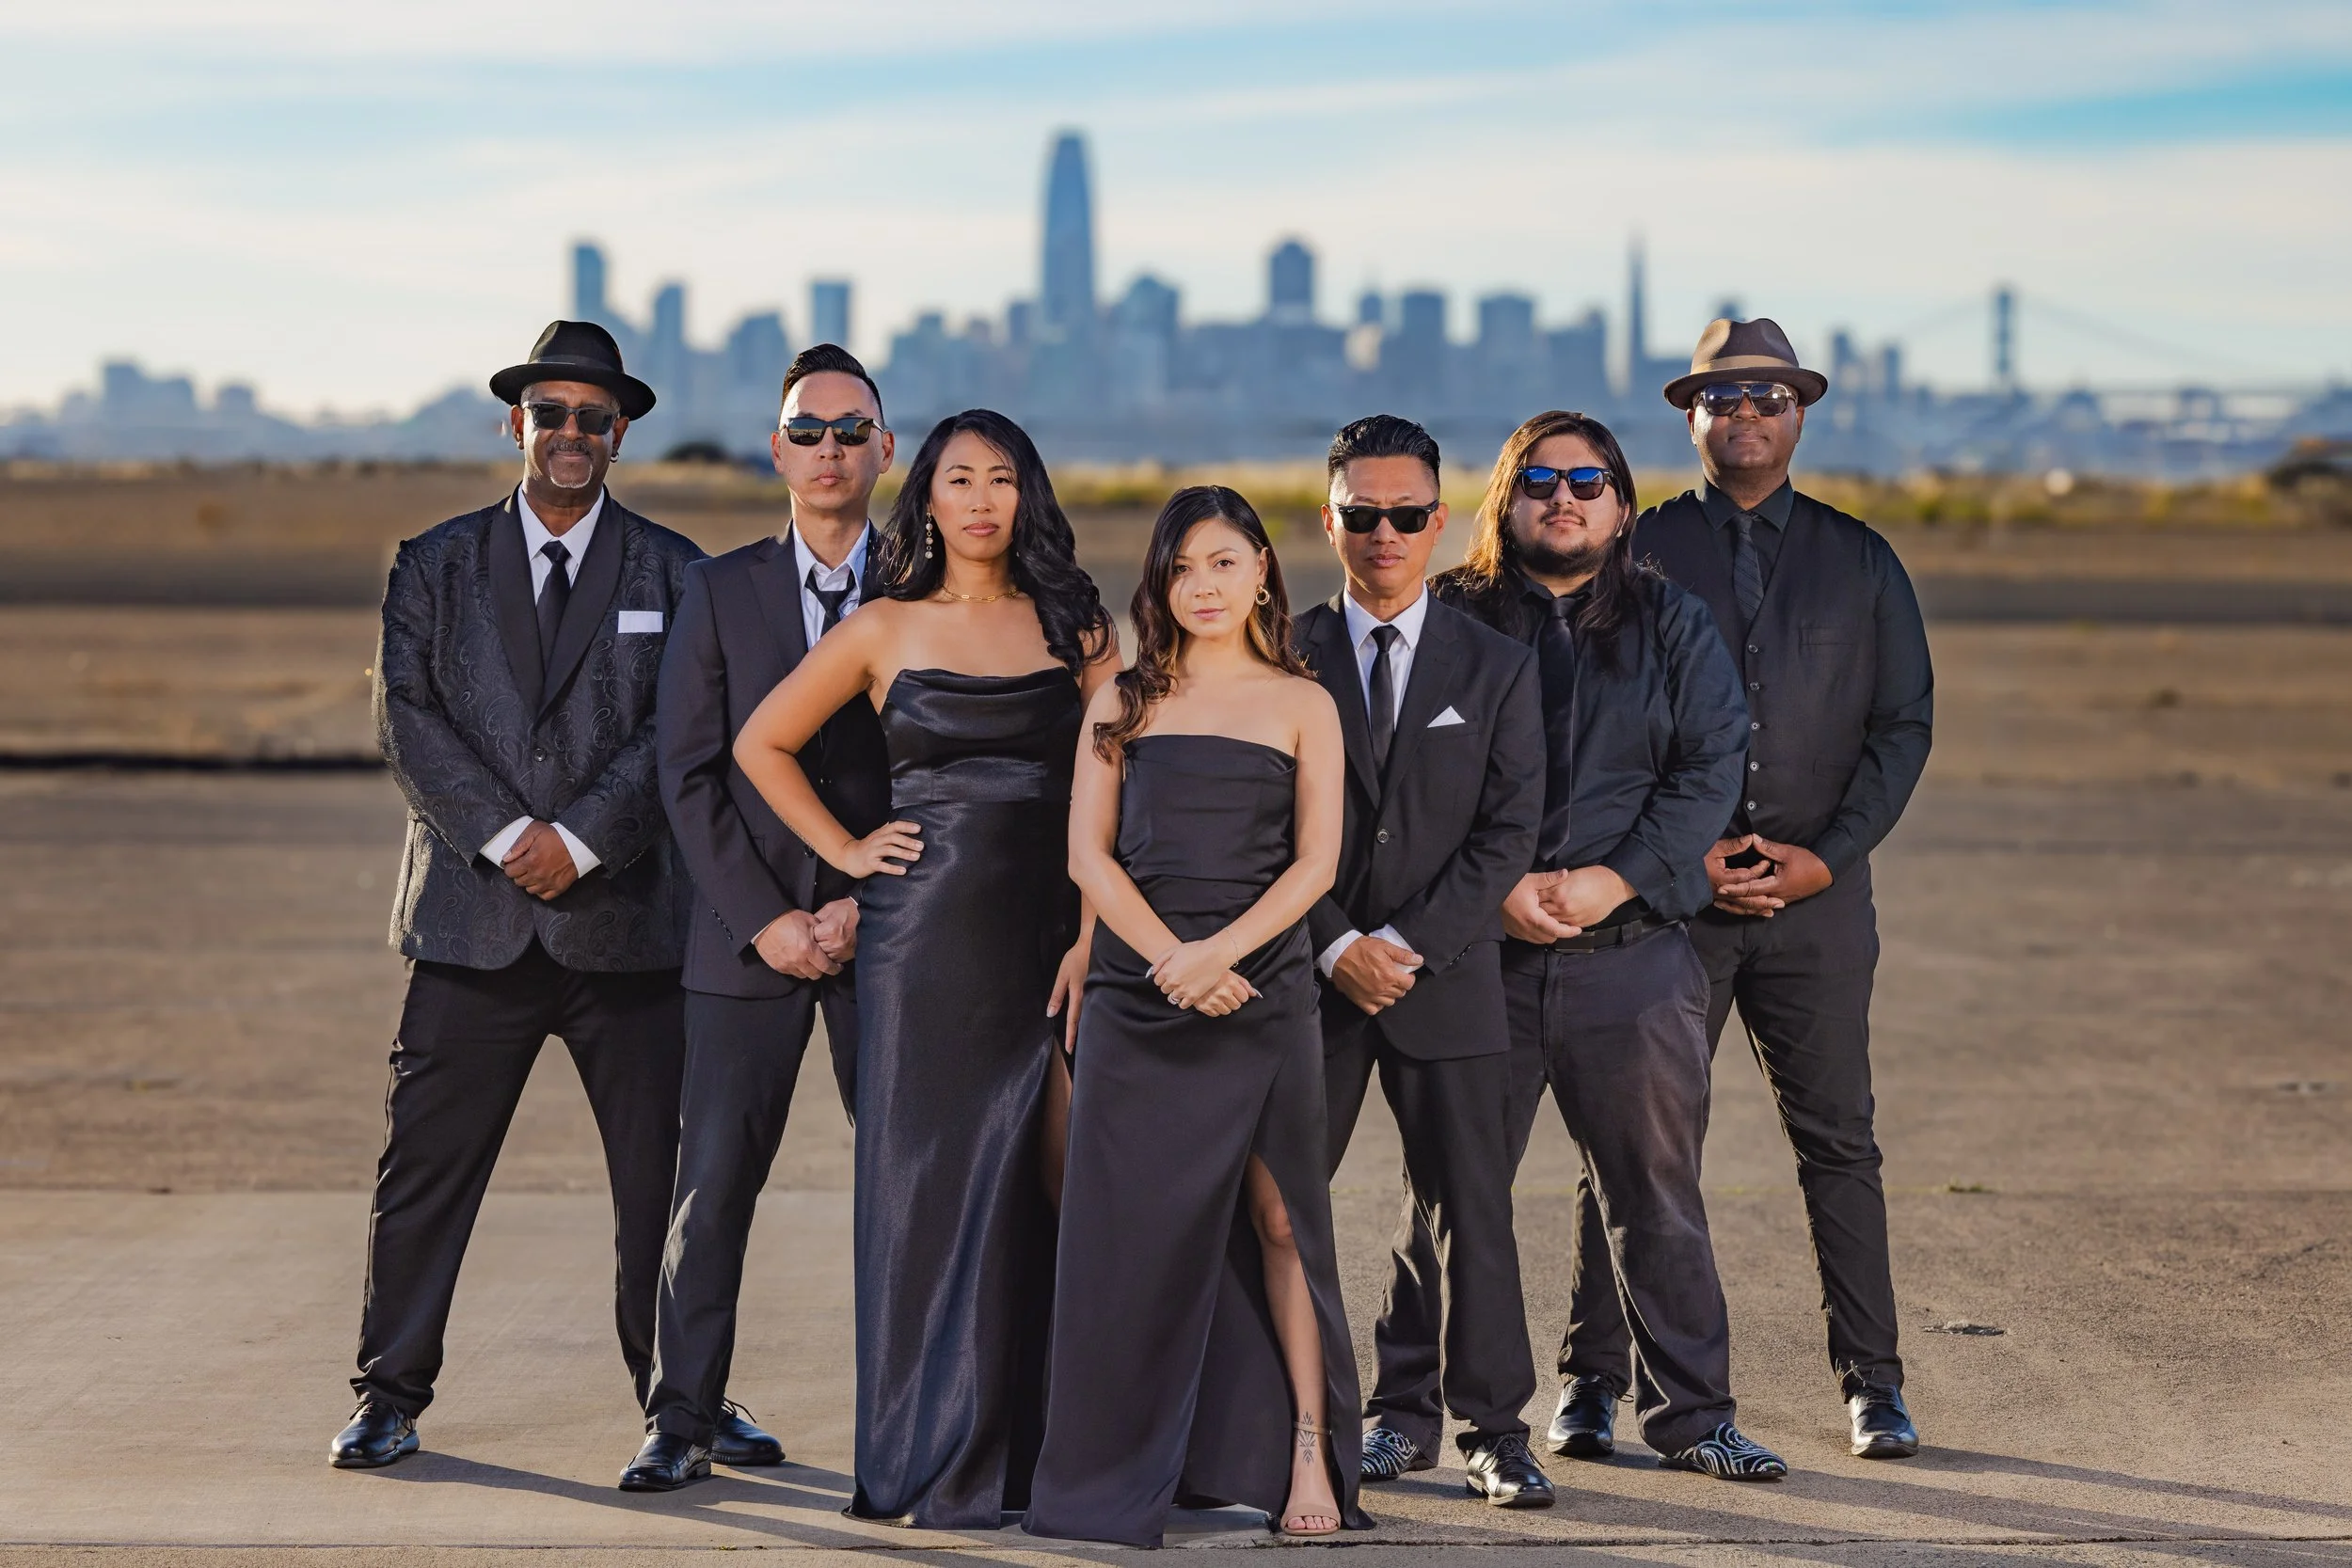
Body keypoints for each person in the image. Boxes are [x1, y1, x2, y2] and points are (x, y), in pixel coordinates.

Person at [1551, 320, 1932, 1463]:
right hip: (1668, 910)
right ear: (1693, 417)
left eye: (1767, 395)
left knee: (1839, 1144)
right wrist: (1679, 858)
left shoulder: (1860, 558)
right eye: (1723, 398)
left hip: (1820, 908)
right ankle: (1590, 1382)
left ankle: (1874, 1382)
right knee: (1631, 1150)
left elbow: (1900, 726)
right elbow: (1597, 729)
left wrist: (1827, 855)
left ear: (1799, 412)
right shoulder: (1639, 550)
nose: (1746, 413)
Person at [734, 408, 1117, 1528]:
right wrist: (847, 850)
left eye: (1003, 478)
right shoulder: (880, 627)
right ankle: (923, 1461)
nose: (984, 499)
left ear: (1026, 494)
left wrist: (1096, 935)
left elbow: (1116, 784)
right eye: (960, 479)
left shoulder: (1078, 624)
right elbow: (761, 742)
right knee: (926, 1195)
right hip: (923, 945)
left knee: (1054, 1191)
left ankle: (1044, 1459)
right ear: (930, 499)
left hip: (1050, 931)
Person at [330, 321, 704, 1469]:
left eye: (595, 417)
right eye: (553, 414)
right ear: (517, 423)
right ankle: (389, 1392)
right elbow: (409, 717)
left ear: (621, 430)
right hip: (467, 924)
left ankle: (679, 1402)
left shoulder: (676, 571)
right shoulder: (432, 562)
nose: (573, 435)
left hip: (625, 927)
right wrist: (508, 838)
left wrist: (583, 840)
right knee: (423, 1175)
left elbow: (676, 731)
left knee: (665, 1192)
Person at [1432, 409, 1786, 1481]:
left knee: (1657, 1198)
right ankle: (1405, 1411)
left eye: (1588, 482)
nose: (1563, 498)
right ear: (1507, 499)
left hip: (1630, 958)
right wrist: (1490, 895)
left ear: (1622, 505)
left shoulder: (1671, 624)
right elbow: (1412, 777)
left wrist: (1607, 879)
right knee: (1446, 1196)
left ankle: (1692, 1417)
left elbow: (1708, 769)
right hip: (1475, 961)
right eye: (1538, 480)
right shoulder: (1450, 617)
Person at [1026, 486, 1369, 1547]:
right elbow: (1090, 854)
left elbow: (1318, 863)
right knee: (1123, 1237)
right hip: (1141, 991)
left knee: (1282, 1222)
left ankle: (1305, 1448)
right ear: (1160, 581)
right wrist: (1173, 958)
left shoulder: (1302, 701)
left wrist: (1220, 954)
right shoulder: (1124, 698)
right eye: (1183, 567)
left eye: (1224, 562)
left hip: (1262, 990)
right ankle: (1115, 1467)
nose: (1204, 586)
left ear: (1264, 569)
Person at [623, 345, 898, 1492]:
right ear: (774, 448)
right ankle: (680, 1417)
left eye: (850, 429)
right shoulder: (719, 588)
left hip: (893, 937)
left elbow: (953, 775)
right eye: (807, 429)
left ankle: (913, 1423)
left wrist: (856, 903)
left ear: (887, 450)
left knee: (906, 1185)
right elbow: (687, 771)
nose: (828, 448)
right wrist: (770, 919)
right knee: (714, 1182)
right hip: (746, 939)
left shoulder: (934, 587)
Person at [1293, 417, 1550, 1505]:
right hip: (1311, 979)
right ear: (1331, 519)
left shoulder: (1494, 663)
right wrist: (1337, 941)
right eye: (1363, 514)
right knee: (1281, 1205)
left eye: (1407, 514)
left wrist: (1405, 942)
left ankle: (1495, 1427)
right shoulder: (1283, 649)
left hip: (1443, 976)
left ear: (1440, 522)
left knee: (1473, 1211)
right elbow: (1256, 825)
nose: (1385, 533)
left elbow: (1509, 828)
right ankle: (1293, 1421)